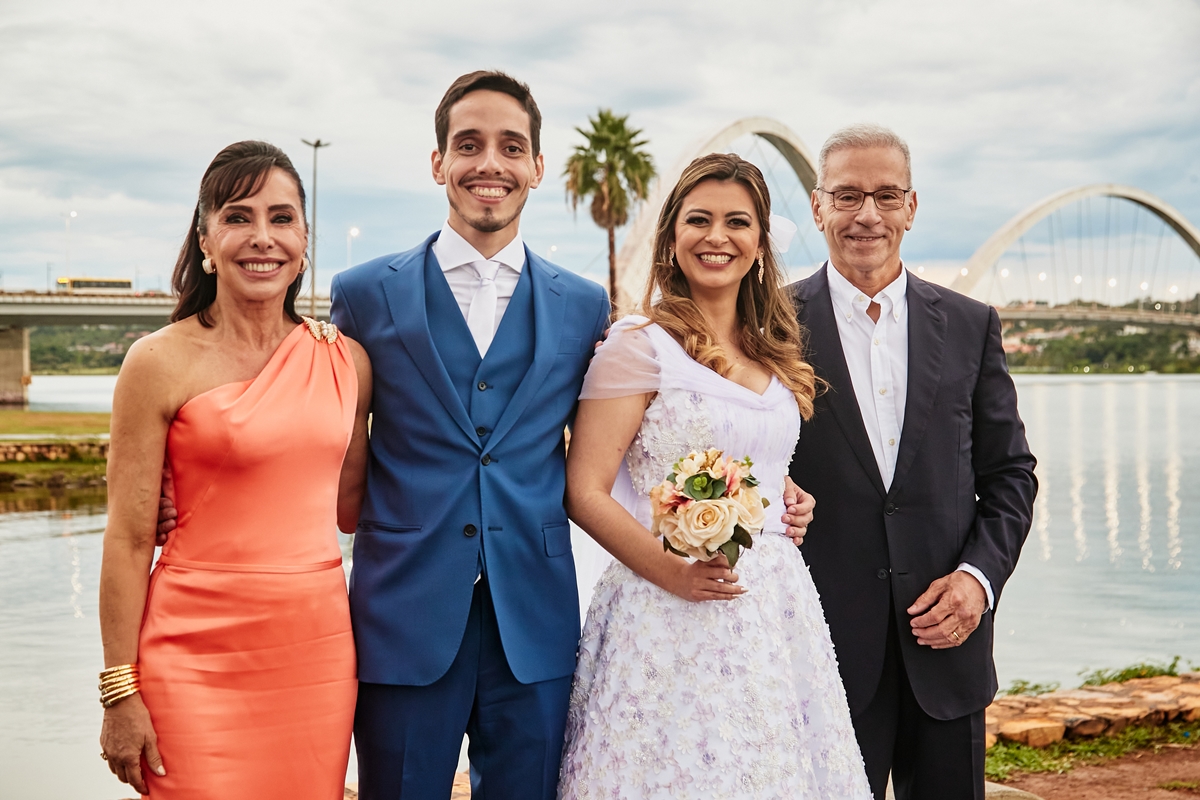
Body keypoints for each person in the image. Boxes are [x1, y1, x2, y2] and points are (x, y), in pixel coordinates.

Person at [328, 71, 612, 800]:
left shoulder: (584, 307)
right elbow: (317, 435)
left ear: (538, 168)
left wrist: (774, 489)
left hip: (537, 620)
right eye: (469, 144)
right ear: (438, 163)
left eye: (511, 147)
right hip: (403, 616)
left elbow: (625, 443)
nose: (491, 163)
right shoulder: (363, 293)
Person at [558, 153, 872, 799]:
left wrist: (789, 495)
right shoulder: (637, 345)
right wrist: (671, 570)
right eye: (698, 220)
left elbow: (763, 461)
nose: (717, 236)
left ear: (760, 244)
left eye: (737, 222)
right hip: (664, 604)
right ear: (673, 238)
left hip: (774, 611)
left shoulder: (772, 350)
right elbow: (584, 489)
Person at [98, 140, 372, 799]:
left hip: (315, 653)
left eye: (282, 218)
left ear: (305, 238)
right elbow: (130, 539)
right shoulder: (157, 362)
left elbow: (352, 509)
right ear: (205, 239)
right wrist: (118, 690)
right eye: (239, 217)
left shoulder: (348, 364)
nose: (262, 238)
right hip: (191, 650)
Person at [784, 124, 1037, 799]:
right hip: (820, 654)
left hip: (948, 649)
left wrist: (977, 582)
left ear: (912, 207)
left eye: (886, 195)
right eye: (847, 196)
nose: (867, 214)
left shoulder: (971, 323)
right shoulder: (769, 326)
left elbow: (1010, 475)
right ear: (817, 207)